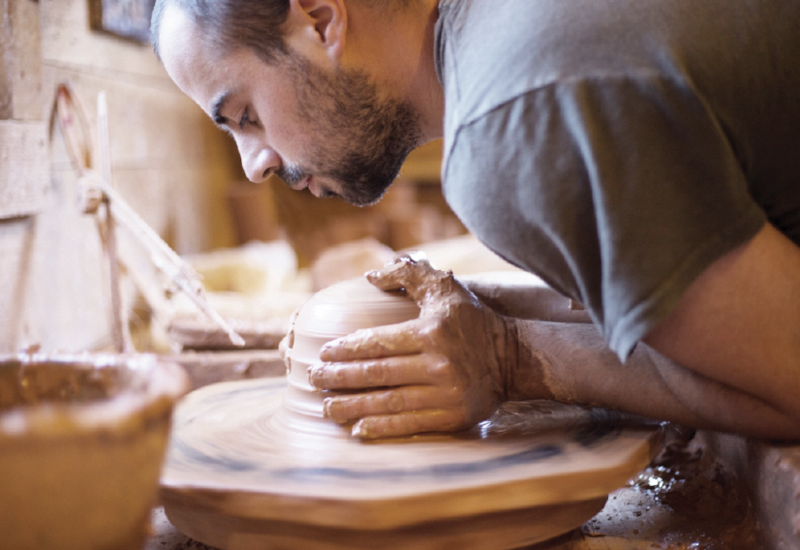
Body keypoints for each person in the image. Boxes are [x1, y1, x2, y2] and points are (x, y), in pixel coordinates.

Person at [151, 0, 800, 440]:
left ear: (320, 20)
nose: (254, 167)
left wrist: (507, 357)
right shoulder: (504, 34)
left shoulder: (509, 121)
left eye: (243, 116)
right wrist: (477, 309)